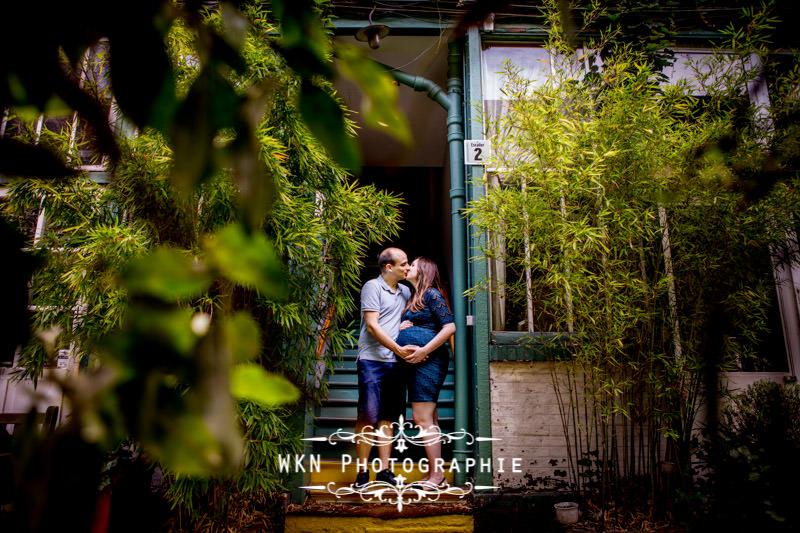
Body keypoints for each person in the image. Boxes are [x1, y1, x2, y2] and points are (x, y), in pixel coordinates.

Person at [353, 247, 414, 489]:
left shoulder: (406, 291)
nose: (408, 268)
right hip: (372, 361)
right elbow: (372, 326)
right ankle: (362, 472)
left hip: (395, 365)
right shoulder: (372, 287)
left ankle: (385, 470)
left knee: (388, 419)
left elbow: (400, 321)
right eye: (404, 264)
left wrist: (403, 325)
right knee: (368, 417)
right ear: (389, 267)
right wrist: (398, 349)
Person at [396, 257, 456, 488]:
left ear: (424, 271)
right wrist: (403, 325)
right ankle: (435, 475)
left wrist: (423, 350)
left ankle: (437, 476)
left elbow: (449, 327)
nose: (408, 267)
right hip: (416, 363)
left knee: (422, 419)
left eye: (413, 264)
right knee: (428, 418)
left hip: (429, 362)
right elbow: (422, 324)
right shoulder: (415, 297)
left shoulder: (432, 294)